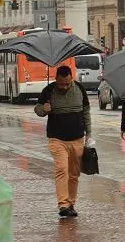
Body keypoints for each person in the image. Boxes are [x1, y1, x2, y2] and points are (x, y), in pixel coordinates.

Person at [34, 65, 92, 217]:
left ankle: (71, 204)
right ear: (56, 79)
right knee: (62, 169)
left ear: (71, 78)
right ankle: (63, 205)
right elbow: (38, 109)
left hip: (77, 139)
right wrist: (44, 109)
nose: (64, 87)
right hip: (57, 139)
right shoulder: (49, 90)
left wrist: (89, 134)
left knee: (74, 174)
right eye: (61, 84)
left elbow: (86, 112)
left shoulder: (79, 89)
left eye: (67, 83)